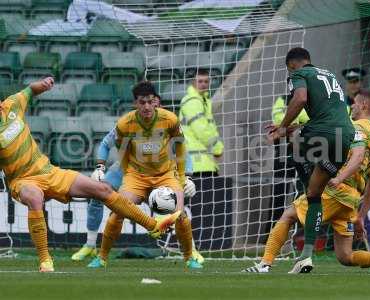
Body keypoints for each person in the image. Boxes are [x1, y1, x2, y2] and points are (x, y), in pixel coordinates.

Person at [0, 78, 180, 272]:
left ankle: (152, 226)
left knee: (102, 189)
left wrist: (43, 84)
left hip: (49, 171)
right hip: (22, 181)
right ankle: (45, 260)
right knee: (35, 197)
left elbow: (29, 90)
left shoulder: (12, 104)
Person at [245, 89, 370, 273]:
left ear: (364, 105)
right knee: (345, 256)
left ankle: (265, 264)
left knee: (288, 216)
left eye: (355, 103)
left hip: (336, 189)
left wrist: (339, 177)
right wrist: (361, 215)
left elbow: (356, 156)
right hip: (351, 200)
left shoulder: (356, 128)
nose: (352, 106)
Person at [71, 94, 203, 264]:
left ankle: (191, 252)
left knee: (179, 212)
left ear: (158, 105)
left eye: (152, 102)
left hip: (162, 173)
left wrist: (188, 176)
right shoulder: (128, 123)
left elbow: (183, 149)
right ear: (137, 104)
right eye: (144, 102)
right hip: (131, 170)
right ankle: (91, 246)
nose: (148, 106)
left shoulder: (168, 121)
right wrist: (100, 168)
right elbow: (106, 143)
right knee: (103, 197)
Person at [267, 48, 355, 273]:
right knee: (315, 195)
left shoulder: (299, 74)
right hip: (344, 135)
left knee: (294, 140)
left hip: (324, 131)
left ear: (292, 65)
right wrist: (292, 126)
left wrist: (284, 128)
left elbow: (300, 98)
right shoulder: (330, 74)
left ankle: (306, 182)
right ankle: (306, 256)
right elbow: (330, 114)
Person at [179, 69, 224, 177]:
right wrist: (218, 149)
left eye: (206, 81)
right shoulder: (193, 101)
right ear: (193, 82)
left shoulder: (202, 101)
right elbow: (202, 131)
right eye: (200, 81)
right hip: (197, 164)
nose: (203, 84)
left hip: (202, 163)